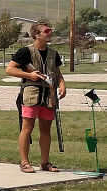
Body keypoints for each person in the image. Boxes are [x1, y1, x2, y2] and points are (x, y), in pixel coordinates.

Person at [5, 22, 66, 172]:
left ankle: (45, 163)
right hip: (31, 94)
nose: (50, 33)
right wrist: (29, 75)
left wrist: (63, 85)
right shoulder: (25, 51)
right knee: (27, 128)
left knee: (46, 130)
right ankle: (24, 162)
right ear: (37, 35)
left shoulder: (54, 53)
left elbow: (57, 73)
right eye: (47, 31)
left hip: (49, 95)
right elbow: (10, 69)